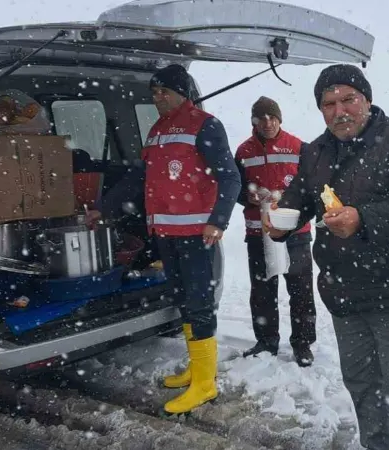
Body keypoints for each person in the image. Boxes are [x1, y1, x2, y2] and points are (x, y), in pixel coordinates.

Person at [263, 64, 389, 449]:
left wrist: (363, 217)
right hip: (344, 294)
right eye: (329, 104)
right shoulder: (316, 151)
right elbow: (300, 197)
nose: (339, 111)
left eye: (348, 100)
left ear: (367, 100)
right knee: (362, 387)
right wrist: (281, 220)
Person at [140, 64, 241, 415]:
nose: (157, 97)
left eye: (164, 91)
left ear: (182, 93)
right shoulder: (156, 129)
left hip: (197, 235)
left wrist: (218, 222)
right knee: (182, 300)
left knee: (199, 304)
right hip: (165, 233)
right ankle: (195, 370)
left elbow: (231, 178)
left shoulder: (205, 124)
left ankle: (206, 383)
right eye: (154, 92)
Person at [234, 96, 316, 367]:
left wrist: (288, 200)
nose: (268, 123)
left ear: (280, 119)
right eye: (262, 118)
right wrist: (249, 195)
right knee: (262, 291)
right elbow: (234, 188)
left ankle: (302, 344)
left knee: (301, 291)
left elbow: (310, 189)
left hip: (295, 233)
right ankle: (266, 341)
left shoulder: (299, 147)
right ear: (253, 121)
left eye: (273, 117)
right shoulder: (243, 152)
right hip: (258, 233)